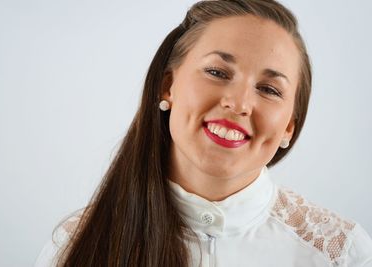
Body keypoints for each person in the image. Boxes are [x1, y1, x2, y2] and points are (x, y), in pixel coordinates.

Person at [35, 0, 372, 266]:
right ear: (168, 86)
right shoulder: (76, 245)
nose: (239, 103)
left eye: (269, 89)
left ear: (289, 126)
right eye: (216, 71)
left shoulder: (341, 255)